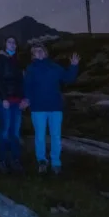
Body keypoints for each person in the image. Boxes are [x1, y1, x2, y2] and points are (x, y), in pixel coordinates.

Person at [24, 43, 79, 175]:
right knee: (40, 136)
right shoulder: (31, 69)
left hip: (55, 107)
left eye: (41, 50)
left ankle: (56, 162)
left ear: (45, 52)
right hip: (38, 109)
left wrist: (74, 66)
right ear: (33, 56)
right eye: (35, 51)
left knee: (55, 136)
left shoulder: (54, 67)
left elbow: (68, 78)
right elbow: (27, 87)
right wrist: (26, 100)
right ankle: (42, 161)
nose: (39, 52)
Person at [0, 36, 26, 173]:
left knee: (15, 132)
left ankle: (15, 159)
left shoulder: (17, 61)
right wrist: (4, 98)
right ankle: (1, 160)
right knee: (4, 131)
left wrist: (23, 98)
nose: (12, 44)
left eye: (14, 42)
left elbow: (21, 81)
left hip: (17, 101)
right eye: (9, 42)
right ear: (4, 44)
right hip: (4, 100)